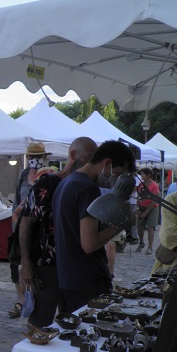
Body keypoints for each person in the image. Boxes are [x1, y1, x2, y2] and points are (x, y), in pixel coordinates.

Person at [18, 137, 97, 328]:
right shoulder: (46, 184)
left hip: (76, 266)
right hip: (48, 265)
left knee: (74, 323)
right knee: (39, 323)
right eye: (88, 158)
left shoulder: (88, 188)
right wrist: (26, 263)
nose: (91, 164)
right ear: (73, 155)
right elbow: (26, 223)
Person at [52, 140, 137, 312]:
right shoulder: (87, 188)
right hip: (88, 280)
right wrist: (118, 226)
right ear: (107, 163)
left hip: (67, 278)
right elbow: (89, 244)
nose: (116, 181)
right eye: (118, 173)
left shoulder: (66, 183)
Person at [7, 142, 50, 318]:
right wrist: (15, 227)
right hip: (21, 225)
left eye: (37, 157)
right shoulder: (24, 175)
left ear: (44, 157)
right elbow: (17, 202)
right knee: (17, 265)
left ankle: (36, 300)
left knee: (36, 265)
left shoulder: (48, 175)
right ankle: (21, 300)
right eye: (31, 156)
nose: (34, 159)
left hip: (40, 229)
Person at [135, 168, 160, 255]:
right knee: (140, 227)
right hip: (142, 207)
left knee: (150, 227)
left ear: (148, 175)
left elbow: (154, 199)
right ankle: (141, 243)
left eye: (143, 174)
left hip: (152, 208)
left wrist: (147, 211)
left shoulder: (154, 185)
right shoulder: (141, 184)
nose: (141, 176)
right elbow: (138, 197)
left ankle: (150, 247)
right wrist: (138, 208)